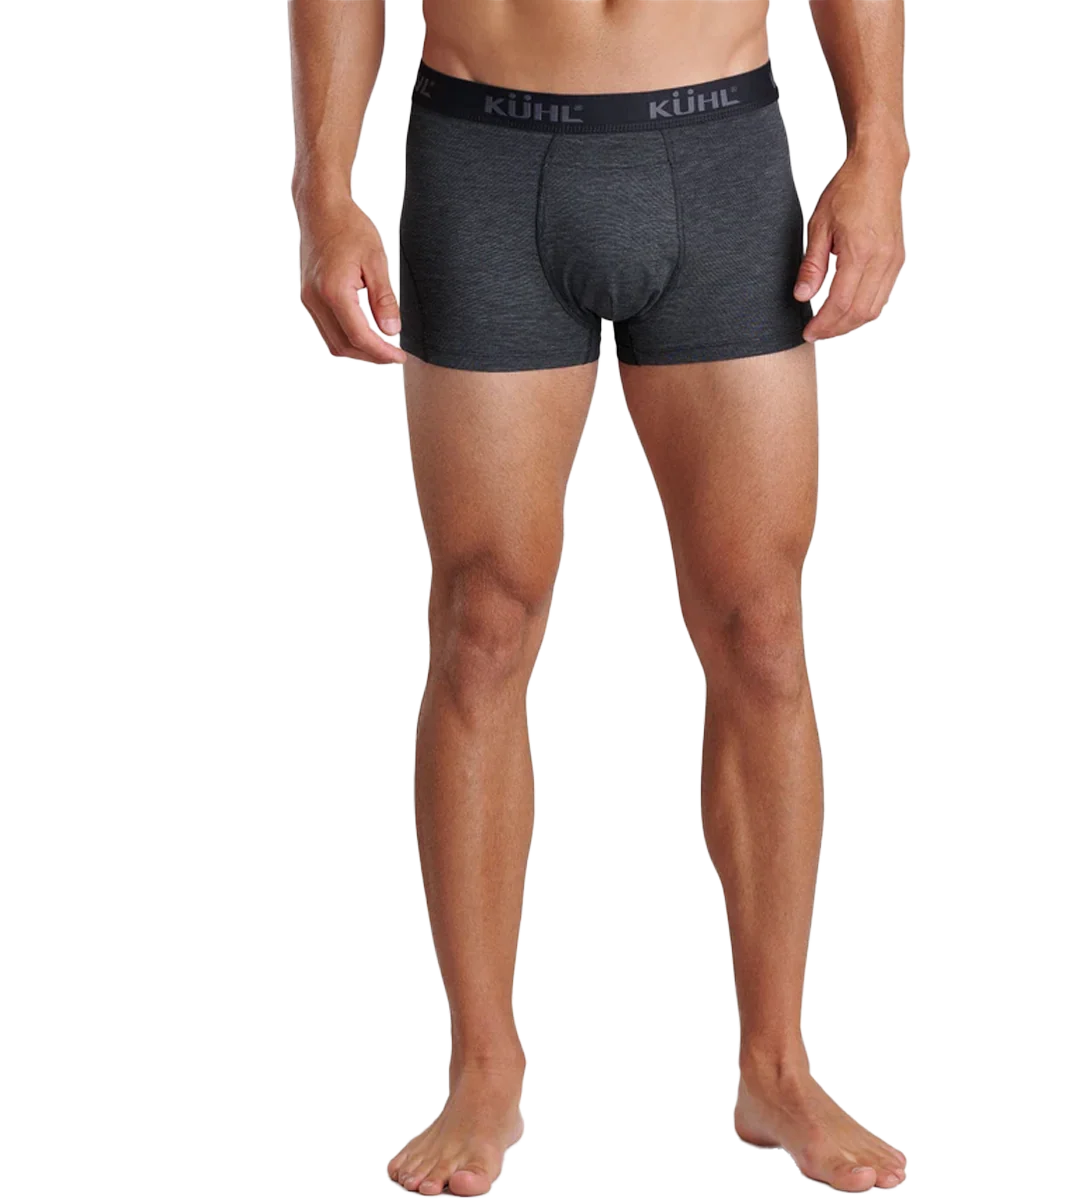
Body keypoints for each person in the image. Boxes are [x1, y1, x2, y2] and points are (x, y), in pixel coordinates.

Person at [289, 0, 909, 1194]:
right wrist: (323, 194)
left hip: (719, 152)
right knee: (483, 620)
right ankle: (483, 1070)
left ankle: (776, 1068)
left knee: (760, 627)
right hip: (485, 150)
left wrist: (878, 149)